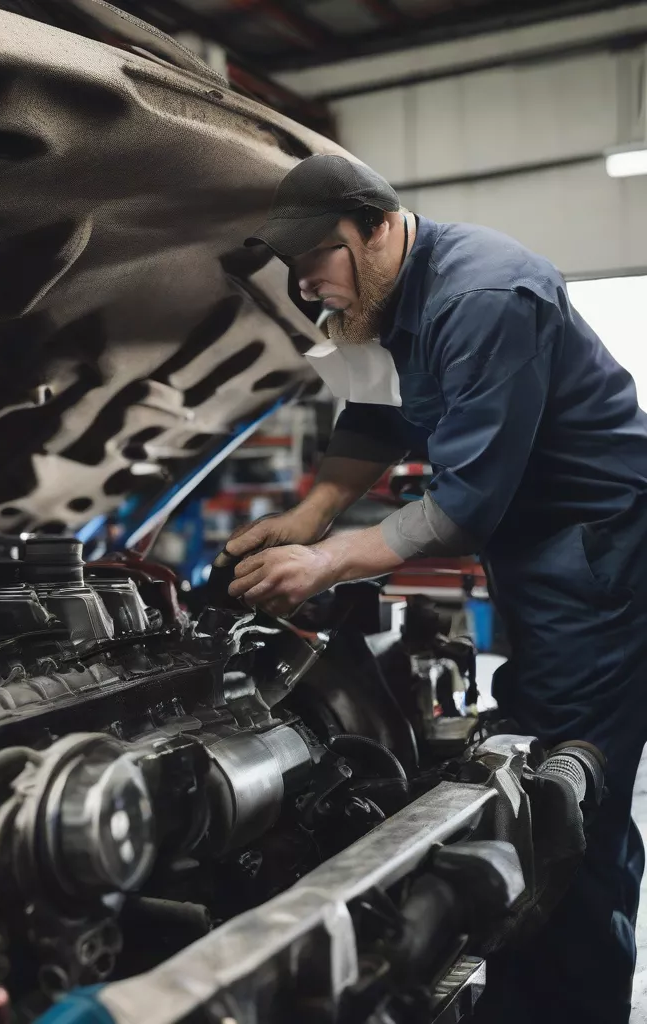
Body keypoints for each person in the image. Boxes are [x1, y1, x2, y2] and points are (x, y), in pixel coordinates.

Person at [221, 153, 647, 1023]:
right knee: (531, 755)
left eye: (319, 260)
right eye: (293, 271)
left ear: (379, 226)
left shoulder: (483, 296)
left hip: (598, 548)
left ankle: (567, 1006)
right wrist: (311, 515)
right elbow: (375, 414)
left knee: (568, 787)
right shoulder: (380, 300)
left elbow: (461, 509)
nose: (307, 288)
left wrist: (326, 560)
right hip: (539, 546)